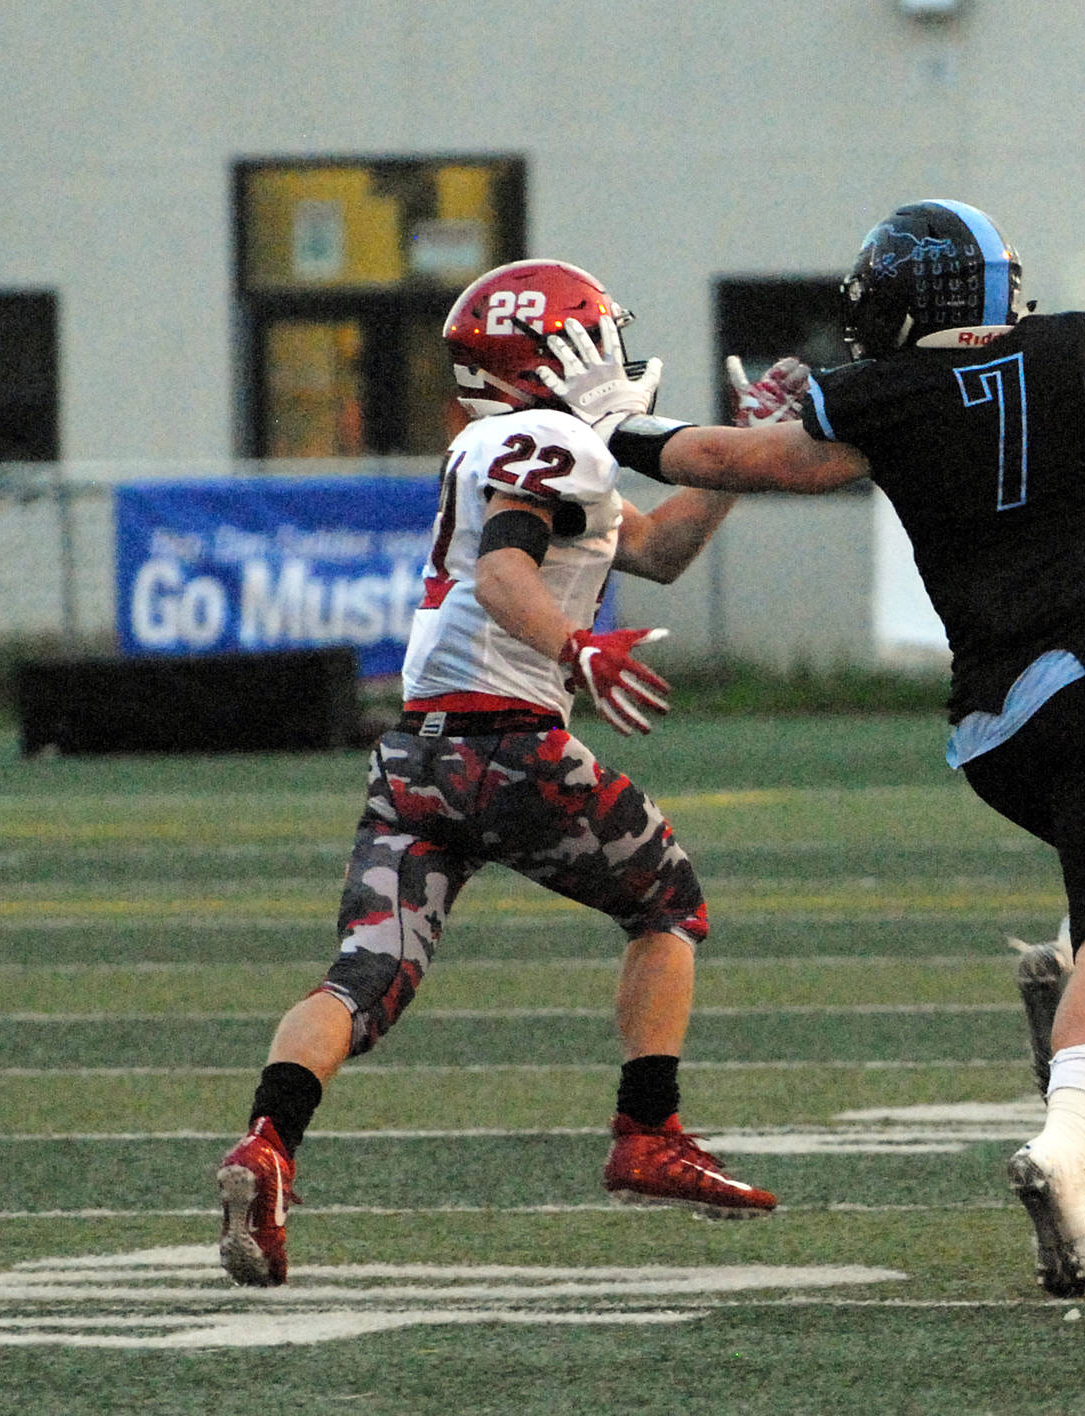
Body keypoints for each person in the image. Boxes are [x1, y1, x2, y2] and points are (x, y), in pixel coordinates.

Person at [541, 200, 1085, 1299]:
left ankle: (1056, 968)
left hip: (992, 729)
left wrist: (593, 427)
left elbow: (739, 459)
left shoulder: (884, 398)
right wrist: (1078, 483)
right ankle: (1065, 1148)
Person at [214, 258, 777, 1289]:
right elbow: (504, 567)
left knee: (363, 977)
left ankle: (267, 1144)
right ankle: (645, 1131)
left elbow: (651, 552)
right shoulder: (554, 439)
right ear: (557, 347)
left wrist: (734, 459)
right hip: (507, 743)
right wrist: (577, 647)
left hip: (415, 754)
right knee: (667, 902)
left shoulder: (493, 441)